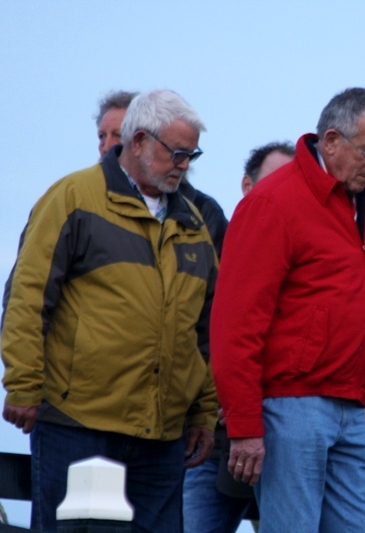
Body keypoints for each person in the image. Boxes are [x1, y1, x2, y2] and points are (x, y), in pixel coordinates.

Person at [1, 89, 218, 533]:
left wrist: (203, 413)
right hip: (78, 424)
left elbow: (207, 330)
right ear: (138, 141)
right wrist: (22, 383)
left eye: (191, 154)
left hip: (163, 437)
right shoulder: (73, 198)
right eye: (177, 152)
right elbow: (28, 296)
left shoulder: (195, 223)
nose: (184, 164)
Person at [210, 87, 365, 533]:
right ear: (331, 141)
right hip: (291, 408)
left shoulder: (360, 207)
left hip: (350, 405)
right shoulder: (273, 202)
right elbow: (236, 323)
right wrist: (245, 424)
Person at [183, 140, 294, 533]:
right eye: (273, 181)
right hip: (213, 438)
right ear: (247, 185)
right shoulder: (217, 241)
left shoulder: (301, 255)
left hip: (281, 437)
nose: (282, 192)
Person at [94, 89, 228, 258]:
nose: (106, 146)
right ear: (140, 142)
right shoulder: (79, 198)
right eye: (102, 136)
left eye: (118, 135)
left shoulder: (201, 213)